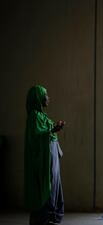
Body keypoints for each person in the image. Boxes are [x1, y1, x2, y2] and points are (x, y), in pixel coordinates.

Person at [24, 85, 65, 225]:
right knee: (45, 185)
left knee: (53, 183)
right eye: (45, 95)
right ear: (38, 98)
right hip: (43, 161)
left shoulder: (42, 116)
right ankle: (43, 217)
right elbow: (36, 138)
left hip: (51, 159)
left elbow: (47, 134)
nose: (48, 98)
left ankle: (51, 216)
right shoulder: (34, 117)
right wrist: (53, 129)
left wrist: (54, 129)